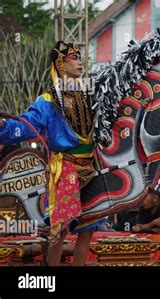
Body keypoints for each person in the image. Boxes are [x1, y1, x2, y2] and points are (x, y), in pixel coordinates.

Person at [0, 41, 105, 266]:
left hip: (92, 166)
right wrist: (3, 127)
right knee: (60, 229)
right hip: (65, 167)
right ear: (60, 64)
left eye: (80, 57)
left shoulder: (91, 93)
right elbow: (28, 125)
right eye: (74, 58)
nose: (80, 61)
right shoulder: (48, 100)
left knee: (89, 226)